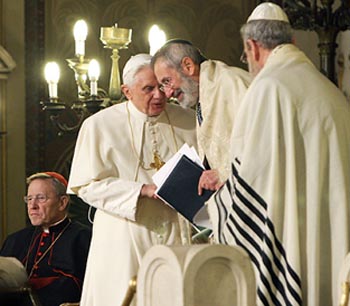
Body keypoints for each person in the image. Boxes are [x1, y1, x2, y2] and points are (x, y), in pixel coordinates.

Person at [206, 2, 350, 306]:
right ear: (293, 42)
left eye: (246, 55)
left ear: (252, 46)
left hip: (290, 238)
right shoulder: (330, 90)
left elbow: (253, 182)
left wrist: (214, 208)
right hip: (333, 236)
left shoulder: (267, 88)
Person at [67, 53, 197, 306]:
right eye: (148, 89)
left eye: (162, 86)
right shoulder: (99, 125)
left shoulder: (189, 121)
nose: (159, 95)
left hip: (176, 232)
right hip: (123, 238)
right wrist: (141, 190)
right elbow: (86, 185)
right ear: (127, 91)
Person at [151, 39, 251, 189]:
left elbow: (262, 143)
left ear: (188, 66)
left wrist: (222, 173)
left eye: (167, 81)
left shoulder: (232, 83)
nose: (168, 93)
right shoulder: (203, 94)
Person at [0, 172, 92, 306]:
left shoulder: (83, 238)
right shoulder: (15, 239)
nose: (32, 206)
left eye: (41, 198)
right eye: (29, 199)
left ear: (62, 202)